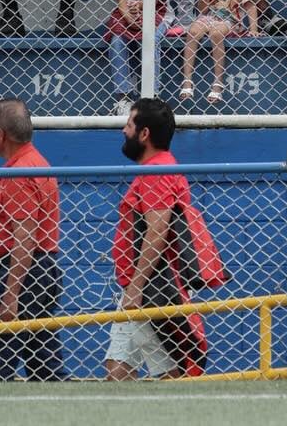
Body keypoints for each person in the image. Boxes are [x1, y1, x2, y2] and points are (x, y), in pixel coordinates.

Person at [107, 95, 224, 381]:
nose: (124, 130)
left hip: (153, 288)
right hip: (143, 285)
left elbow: (157, 232)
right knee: (118, 368)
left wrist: (136, 288)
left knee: (169, 373)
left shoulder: (157, 173)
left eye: (129, 124)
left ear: (144, 134)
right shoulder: (157, 168)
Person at [0, 99, 63, 382]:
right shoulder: (36, 162)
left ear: (0, 134)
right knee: (43, 358)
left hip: (23, 272)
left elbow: (24, 236)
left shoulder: (20, 172)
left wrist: (10, 293)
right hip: (38, 269)